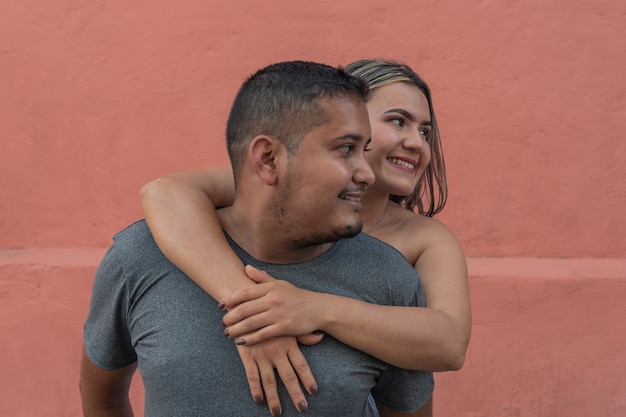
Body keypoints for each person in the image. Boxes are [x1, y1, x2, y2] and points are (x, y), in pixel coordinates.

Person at [80, 60, 434, 417]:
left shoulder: (389, 279)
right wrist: (252, 312)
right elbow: (103, 399)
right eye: (346, 149)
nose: (366, 173)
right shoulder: (140, 257)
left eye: (365, 149)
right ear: (268, 159)